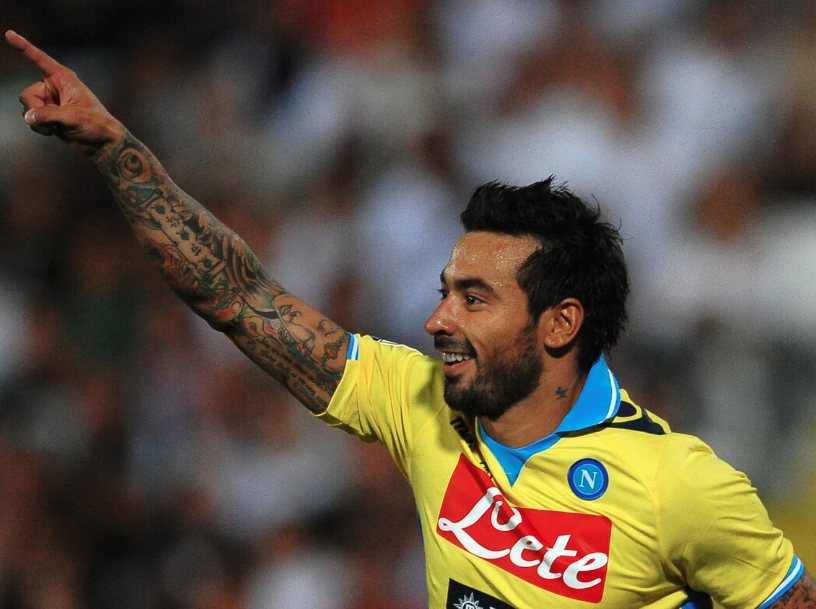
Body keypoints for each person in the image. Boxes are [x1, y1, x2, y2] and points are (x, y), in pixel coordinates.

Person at [6, 29, 816, 609]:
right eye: (445, 290)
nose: (436, 319)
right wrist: (112, 146)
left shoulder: (680, 484)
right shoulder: (418, 400)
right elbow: (238, 296)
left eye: (474, 298)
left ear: (560, 324)